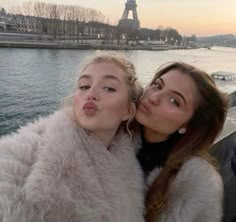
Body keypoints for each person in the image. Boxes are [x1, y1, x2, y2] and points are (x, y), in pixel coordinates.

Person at [0, 54, 145, 222]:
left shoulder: (131, 167)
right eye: (84, 86)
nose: (91, 93)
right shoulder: (24, 152)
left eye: (109, 88)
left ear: (128, 110)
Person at [135, 62, 228, 222]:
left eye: (174, 101)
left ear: (188, 125)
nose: (154, 97)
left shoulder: (197, 186)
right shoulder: (108, 139)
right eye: (157, 85)